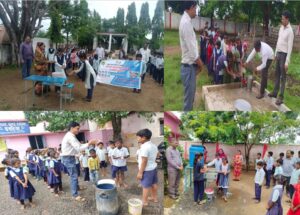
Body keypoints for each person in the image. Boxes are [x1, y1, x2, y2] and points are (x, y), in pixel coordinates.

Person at [60, 122, 98, 202]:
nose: (78, 130)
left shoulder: (71, 136)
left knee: (75, 174)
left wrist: (88, 143)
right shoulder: (70, 136)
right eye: (77, 128)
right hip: (68, 158)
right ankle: (75, 195)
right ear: (72, 128)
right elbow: (79, 148)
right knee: (74, 176)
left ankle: (77, 188)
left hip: (70, 157)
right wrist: (90, 143)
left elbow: (79, 146)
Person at [179, 0, 203, 111]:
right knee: (188, 102)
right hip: (188, 68)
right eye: (195, 8)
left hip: (189, 68)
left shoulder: (186, 21)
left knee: (190, 98)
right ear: (191, 7)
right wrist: (201, 64)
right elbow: (192, 51)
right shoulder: (186, 23)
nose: (196, 11)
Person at [269, 10, 294, 105]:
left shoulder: (290, 31)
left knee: (283, 77)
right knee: (276, 74)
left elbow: (290, 47)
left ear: (287, 19)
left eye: (283, 18)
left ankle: (281, 97)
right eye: (282, 18)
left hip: (284, 54)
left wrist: (287, 62)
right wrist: (275, 54)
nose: (282, 20)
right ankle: (275, 93)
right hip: (278, 53)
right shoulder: (281, 28)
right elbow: (278, 41)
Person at [136, 129, 159, 207]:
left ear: (144, 138)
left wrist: (140, 172)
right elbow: (157, 155)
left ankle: (145, 201)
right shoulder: (153, 145)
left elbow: (144, 161)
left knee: (145, 186)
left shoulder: (144, 147)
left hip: (147, 170)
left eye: (138, 137)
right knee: (154, 183)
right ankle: (154, 198)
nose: (137, 139)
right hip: (153, 168)